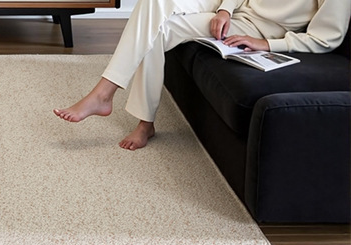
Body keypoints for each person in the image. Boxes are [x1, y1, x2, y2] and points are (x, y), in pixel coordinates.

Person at [53, 0, 351, 150]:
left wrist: (268, 44)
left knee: (161, 30)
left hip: (259, 29)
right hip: (230, 9)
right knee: (154, 2)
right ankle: (104, 93)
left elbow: (325, 39)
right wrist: (225, 10)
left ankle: (143, 121)